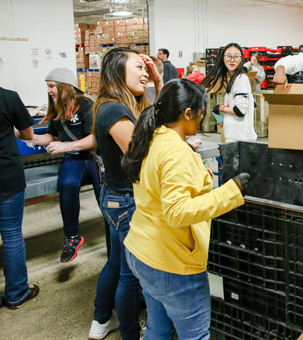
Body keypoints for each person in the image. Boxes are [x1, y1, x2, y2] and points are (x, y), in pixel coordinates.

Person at [121, 79, 249, 339]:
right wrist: (230, 191)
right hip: (172, 262)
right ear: (187, 113)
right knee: (195, 335)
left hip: (141, 251)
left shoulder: (152, 140)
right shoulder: (176, 152)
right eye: (201, 112)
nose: (202, 118)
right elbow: (177, 212)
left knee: (158, 328)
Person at [89, 47, 163, 340]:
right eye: (139, 67)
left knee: (118, 264)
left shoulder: (116, 105)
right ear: (117, 70)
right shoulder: (115, 110)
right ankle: (131, 334)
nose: (144, 72)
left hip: (115, 195)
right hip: (125, 200)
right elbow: (142, 157)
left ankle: (100, 320)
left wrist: (157, 81)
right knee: (130, 276)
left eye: (146, 68)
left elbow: (154, 115)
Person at [29, 68, 101, 263]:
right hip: (73, 159)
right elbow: (52, 136)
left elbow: (94, 138)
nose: (49, 91)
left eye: (52, 86)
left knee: (102, 191)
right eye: (48, 87)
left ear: (65, 86)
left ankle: (115, 229)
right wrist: (30, 136)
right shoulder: (56, 107)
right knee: (67, 184)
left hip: (92, 156)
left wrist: (66, 145)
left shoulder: (86, 104)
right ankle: (72, 237)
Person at [0, 87, 40, 309]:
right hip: (6, 175)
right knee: (12, 234)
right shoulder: (7, 97)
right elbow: (28, 135)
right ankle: (17, 292)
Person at [203, 43, 257, 142]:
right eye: (228, 56)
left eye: (236, 57)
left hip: (239, 140)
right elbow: (253, 105)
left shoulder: (240, 79)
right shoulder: (236, 77)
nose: (232, 60)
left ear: (241, 58)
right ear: (223, 58)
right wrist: (227, 120)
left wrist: (220, 108)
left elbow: (240, 111)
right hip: (240, 137)